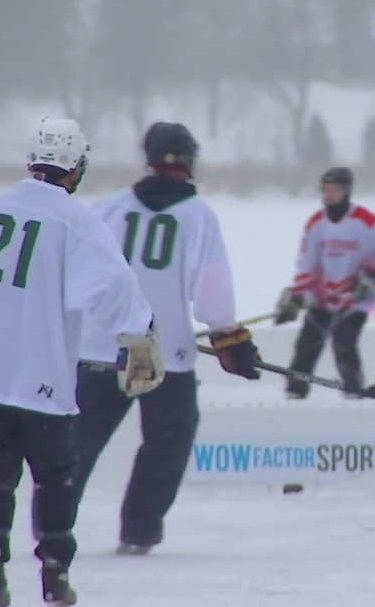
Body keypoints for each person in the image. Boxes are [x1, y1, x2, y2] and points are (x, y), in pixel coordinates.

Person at [0, 116, 163, 607]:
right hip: (41, 379)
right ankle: (55, 572)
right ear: (77, 166)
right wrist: (137, 335)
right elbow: (112, 285)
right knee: (55, 475)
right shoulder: (74, 219)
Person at [67, 121, 261, 555]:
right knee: (167, 444)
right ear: (190, 163)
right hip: (167, 356)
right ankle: (139, 531)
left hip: (101, 350)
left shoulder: (107, 209)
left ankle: (51, 524)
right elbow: (212, 293)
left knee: (77, 443)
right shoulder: (198, 217)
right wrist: (230, 339)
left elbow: (74, 278)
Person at [274, 167, 375, 398]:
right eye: (326, 189)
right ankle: (295, 392)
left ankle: (354, 391)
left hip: (356, 298)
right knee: (307, 343)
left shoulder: (367, 221)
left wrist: (373, 277)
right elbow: (307, 263)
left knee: (344, 339)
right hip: (324, 297)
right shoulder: (316, 223)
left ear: (347, 191)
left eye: (336, 189)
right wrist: (297, 296)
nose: (330, 194)